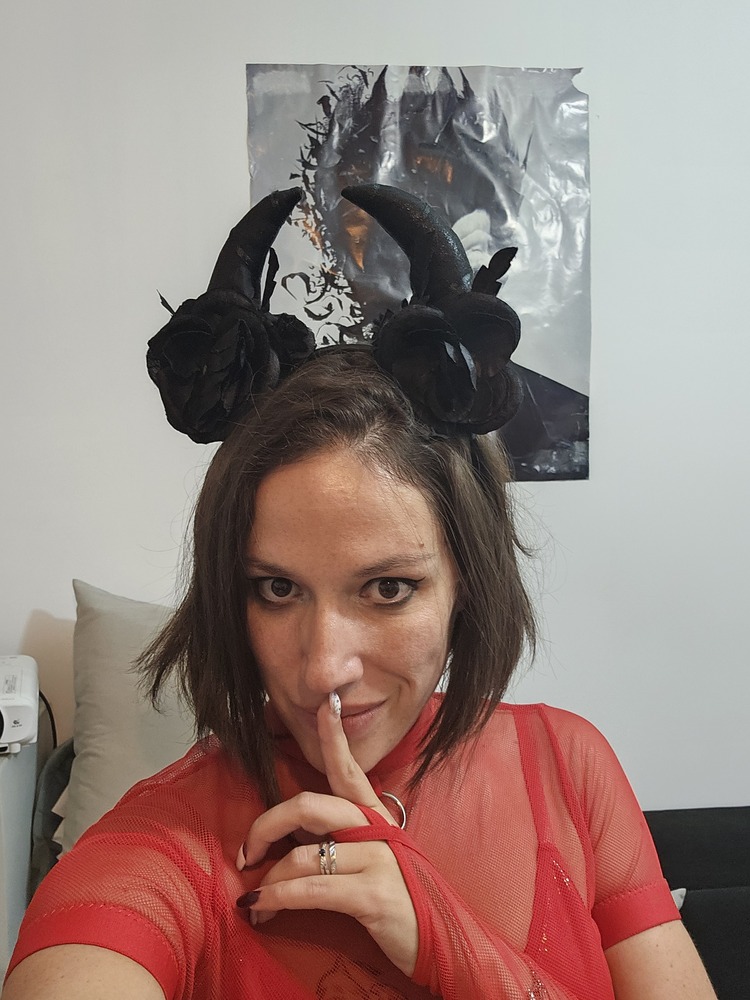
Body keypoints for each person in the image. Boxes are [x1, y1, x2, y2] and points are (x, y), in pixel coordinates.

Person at [2, 185, 716, 1000]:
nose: (322, 670)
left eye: (387, 588)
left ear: (467, 581)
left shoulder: (568, 766)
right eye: (276, 588)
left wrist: (449, 941)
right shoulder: (166, 842)